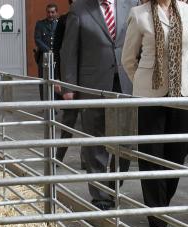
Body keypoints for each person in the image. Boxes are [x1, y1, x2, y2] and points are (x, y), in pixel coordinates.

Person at [122, 0, 188, 227]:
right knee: (151, 156)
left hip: (183, 93)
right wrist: (143, 83)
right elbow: (128, 59)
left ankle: (161, 206)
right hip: (150, 96)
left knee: (178, 155)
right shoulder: (139, 14)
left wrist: (179, 78)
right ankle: (157, 222)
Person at [60, 0, 139, 210]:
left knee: (126, 143)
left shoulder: (131, 5)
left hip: (125, 82)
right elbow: (69, 50)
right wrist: (69, 86)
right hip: (93, 85)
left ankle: (114, 186)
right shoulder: (80, 8)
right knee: (95, 142)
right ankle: (100, 196)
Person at [53, 0, 80, 163]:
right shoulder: (64, 20)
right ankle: (59, 156)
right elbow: (56, 50)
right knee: (69, 119)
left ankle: (86, 159)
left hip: (88, 77)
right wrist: (57, 77)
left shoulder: (95, 18)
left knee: (90, 122)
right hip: (69, 77)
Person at [34, 4, 60, 99]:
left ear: (56, 12)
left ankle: (54, 103)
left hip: (56, 57)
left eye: (53, 12)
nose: (50, 14)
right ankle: (45, 102)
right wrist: (48, 50)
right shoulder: (40, 24)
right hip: (44, 57)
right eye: (48, 12)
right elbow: (37, 39)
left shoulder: (59, 24)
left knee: (55, 79)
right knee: (43, 80)